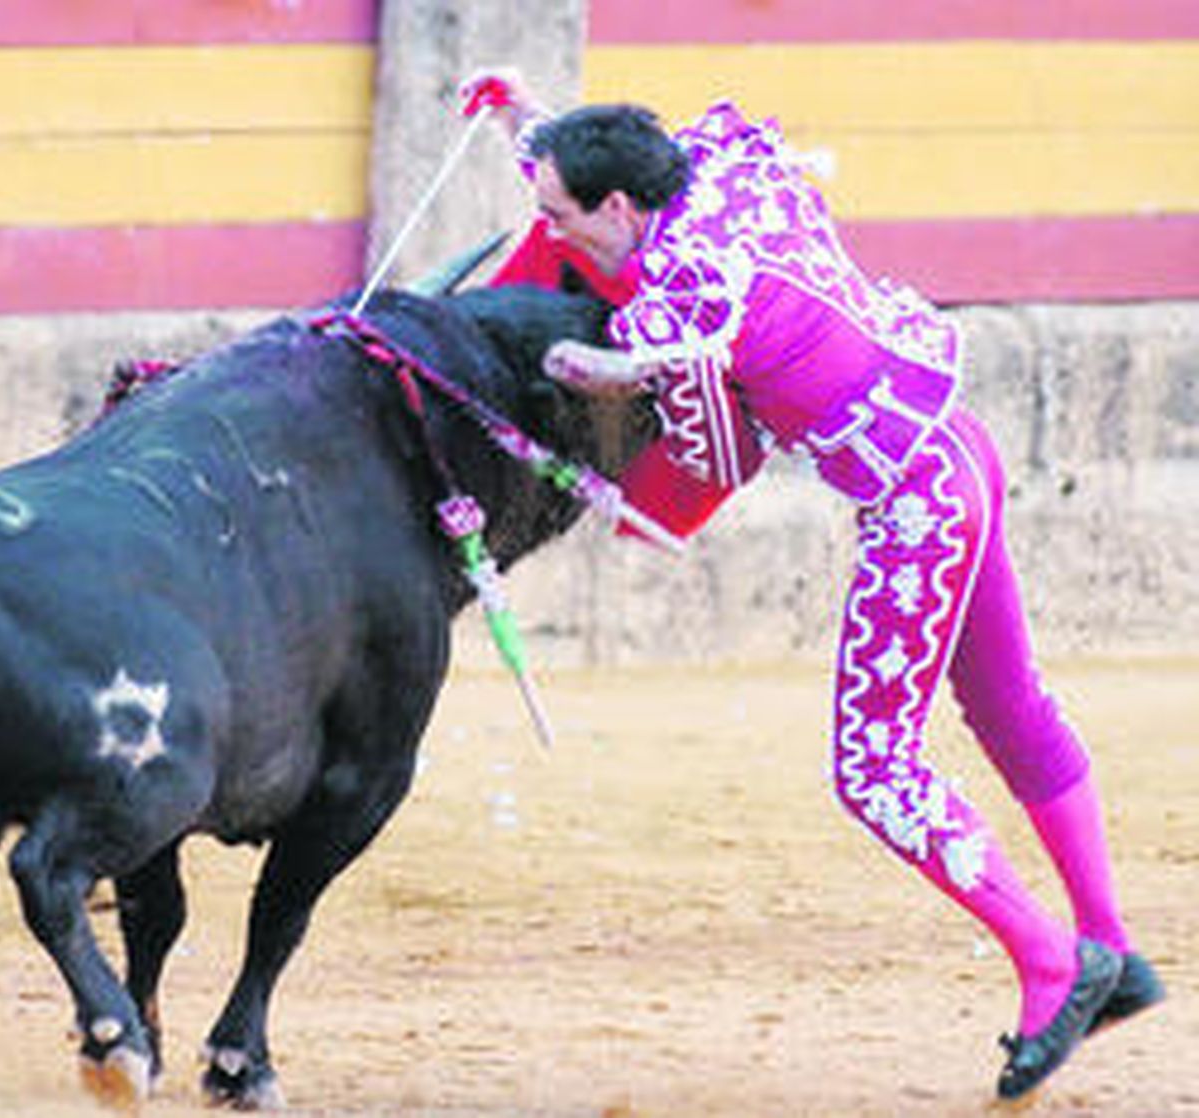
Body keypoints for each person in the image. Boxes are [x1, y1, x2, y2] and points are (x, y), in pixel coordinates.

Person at [456, 68, 1165, 1101]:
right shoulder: (713, 171)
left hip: (917, 500)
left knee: (873, 765)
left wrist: (560, 361)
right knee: (1008, 703)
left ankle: (1056, 963)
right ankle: (1109, 942)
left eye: (557, 212)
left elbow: (622, 371)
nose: (546, 229)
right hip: (956, 448)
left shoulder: (684, 286)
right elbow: (596, 168)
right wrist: (527, 121)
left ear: (617, 207)